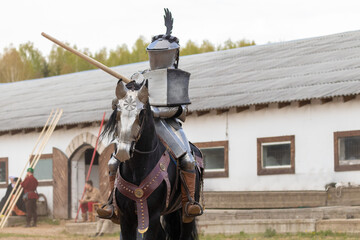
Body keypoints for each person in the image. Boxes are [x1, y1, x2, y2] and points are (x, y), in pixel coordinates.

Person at [98, 8, 203, 224]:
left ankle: (189, 201)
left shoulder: (177, 79)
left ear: (173, 55)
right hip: (140, 125)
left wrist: (156, 111)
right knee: (113, 162)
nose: (156, 58)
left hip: (168, 125)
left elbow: (182, 110)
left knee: (187, 159)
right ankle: (112, 203)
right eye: (154, 54)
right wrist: (125, 98)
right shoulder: (139, 76)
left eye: (161, 54)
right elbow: (128, 100)